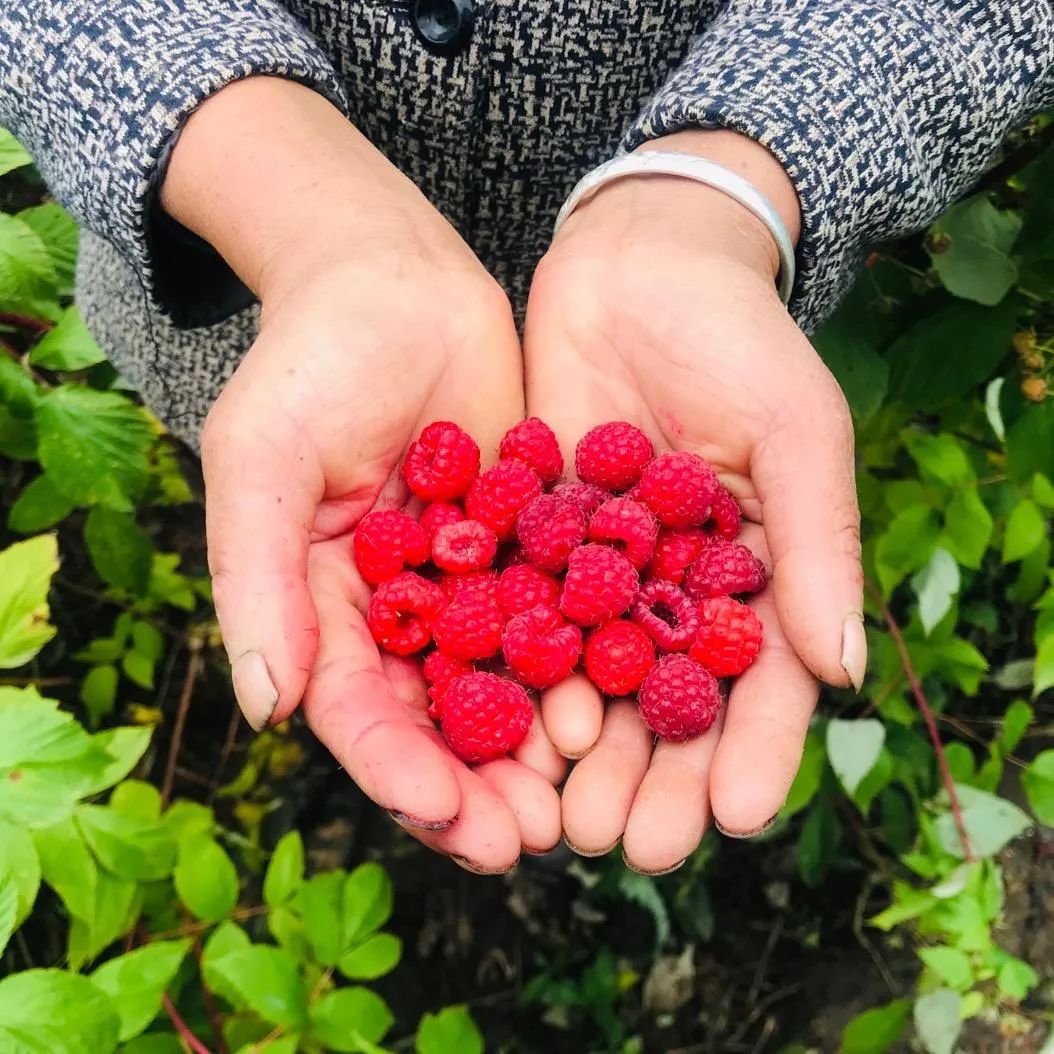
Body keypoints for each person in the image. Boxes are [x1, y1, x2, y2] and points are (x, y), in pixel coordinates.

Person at [2, 1, 1051, 877]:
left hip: (665, 333)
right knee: (321, 607)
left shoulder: (620, 544)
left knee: (533, 758)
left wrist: (735, 178)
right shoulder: (461, 531)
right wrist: (286, 199)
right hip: (288, 361)